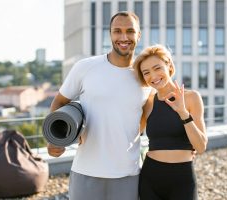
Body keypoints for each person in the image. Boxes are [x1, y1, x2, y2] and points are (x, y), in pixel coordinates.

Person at [47, 11, 150, 200]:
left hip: (128, 174)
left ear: (138, 35)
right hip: (86, 170)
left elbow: (147, 119)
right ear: (110, 34)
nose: (124, 37)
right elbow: (60, 102)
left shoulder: (146, 76)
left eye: (130, 31)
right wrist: (55, 139)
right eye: (117, 31)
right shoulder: (86, 67)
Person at [133, 44, 208, 200]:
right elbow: (131, 134)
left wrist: (183, 112)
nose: (153, 76)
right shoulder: (148, 102)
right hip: (150, 177)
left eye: (157, 68)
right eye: (146, 72)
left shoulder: (191, 98)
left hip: (182, 178)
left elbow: (200, 147)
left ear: (169, 65)